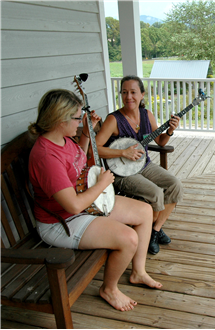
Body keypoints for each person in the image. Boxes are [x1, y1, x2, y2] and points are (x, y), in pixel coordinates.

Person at [28, 89, 162, 313]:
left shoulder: (63, 139)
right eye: (77, 118)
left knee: (145, 211)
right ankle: (109, 289)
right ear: (60, 119)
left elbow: (77, 160)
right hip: (62, 222)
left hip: (83, 202)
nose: (80, 121)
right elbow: (73, 205)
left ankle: (138, 272)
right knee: (128, 238)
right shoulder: (46, 157)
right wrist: (102, 183)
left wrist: (86, 136)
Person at [95, 75, 183, 255]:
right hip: (122, 173)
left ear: (142, 94)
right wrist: (122, 152)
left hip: (144, 166)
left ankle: (155, 230)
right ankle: (151, 232)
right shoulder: (114, 120)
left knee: (175, 185)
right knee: (156, 193)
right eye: (125, 92)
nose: (129, 97)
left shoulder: (146, 115)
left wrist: (170, 131)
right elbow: (94, 149)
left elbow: (161, 142)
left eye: (133, 92)